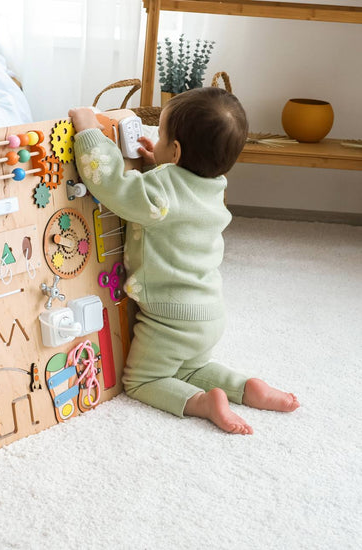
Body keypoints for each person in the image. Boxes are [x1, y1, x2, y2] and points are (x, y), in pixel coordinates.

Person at [69, 87, 299, 434]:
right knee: (191, 368)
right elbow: (178, 189)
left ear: (176, 152)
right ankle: (248, 388)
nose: (156, 140)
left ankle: (201, 404)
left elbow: (112, 184)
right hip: (208, 313)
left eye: (160, 135)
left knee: (144, 379)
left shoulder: (159, 192)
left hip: (170, 320)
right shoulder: (214, 185)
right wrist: (161, 164)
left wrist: (88, 131)